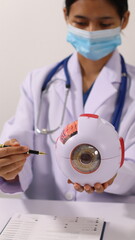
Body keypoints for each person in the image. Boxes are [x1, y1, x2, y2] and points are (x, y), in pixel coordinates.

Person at [0, 0, 135, 201]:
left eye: (104, 24)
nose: (91, 32)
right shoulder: (38, 82)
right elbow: (19, 145)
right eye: (81, 23)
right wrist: (11, 166)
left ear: (124, 20)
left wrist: (111, 173)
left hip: (111, 220)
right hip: (45, 217)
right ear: (66, 16)